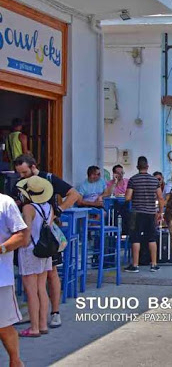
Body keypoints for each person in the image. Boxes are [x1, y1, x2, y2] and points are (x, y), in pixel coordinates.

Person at [13, 154, 80, 329]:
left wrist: (59, 209)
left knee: (51, 273)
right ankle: (37, 316)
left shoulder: (48, 178)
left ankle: (54, 312)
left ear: (33, 166)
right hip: (35, 230)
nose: (21, 176)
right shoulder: (20, 184)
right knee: (39, 280)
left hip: (46, 234)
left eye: (24, 172)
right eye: (19, 172)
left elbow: (74, 194)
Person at [15, 176, 54, 337]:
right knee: (41, 289)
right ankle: (43, 324)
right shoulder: (49, 207)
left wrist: (17, 245)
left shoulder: (28, 209)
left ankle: (34, 327)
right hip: (45, 251)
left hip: (30, 251)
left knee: (31, 291)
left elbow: (27, 233)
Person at [0, 193, 28, 366]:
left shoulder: (5, 202)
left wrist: (1, 248)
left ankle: (15, 361)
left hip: (0, 279)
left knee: (3, 326)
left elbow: (21, 235)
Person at [124, 156, 164, 273]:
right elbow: (161, 198)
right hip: (151, 213)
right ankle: (154, 264)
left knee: (135, 238)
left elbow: (127, 197)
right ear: (147, 166)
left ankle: (135, 265)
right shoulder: (154, 181)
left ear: (137, 167)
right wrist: (160, 212)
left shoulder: (133, 180)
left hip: (137, 213)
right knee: (152, 238)